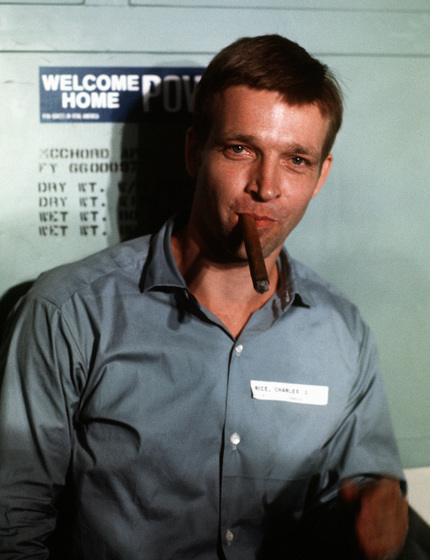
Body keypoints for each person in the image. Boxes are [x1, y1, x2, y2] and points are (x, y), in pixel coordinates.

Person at [0, 35, 411, 559]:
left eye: (297, 160)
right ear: (195, 152)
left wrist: (376, 509)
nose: (266, 187)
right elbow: (13, 527)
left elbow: (364, 496)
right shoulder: (70, 311)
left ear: (321, 175)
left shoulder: (340, 330)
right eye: (241, 149)